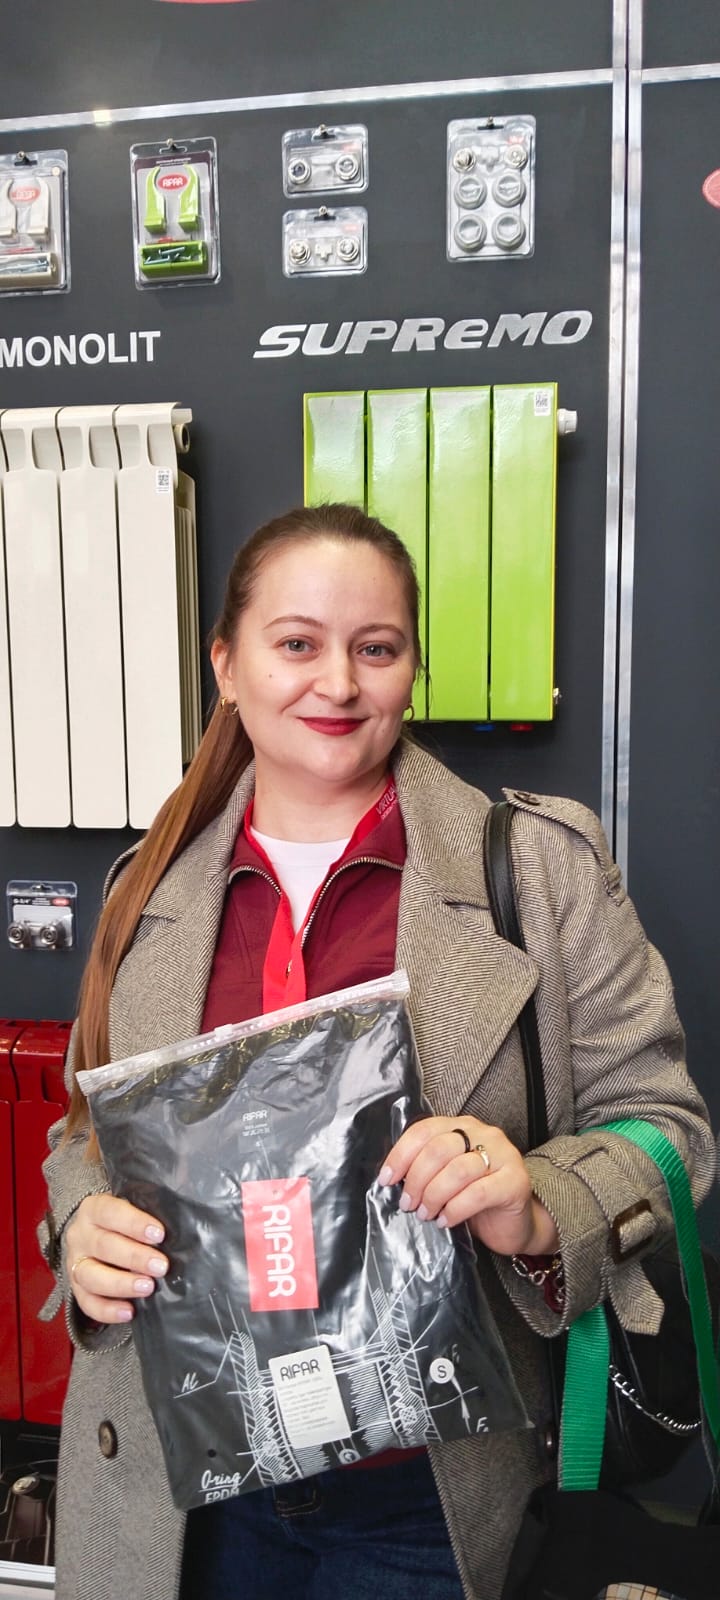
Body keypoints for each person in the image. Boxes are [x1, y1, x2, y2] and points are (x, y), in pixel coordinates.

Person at [42, 501, 715, 1600]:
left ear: (411, 669)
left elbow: (668, 1125)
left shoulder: (536, 870)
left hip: (430, 1493)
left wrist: (540, 1202)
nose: (338, 683)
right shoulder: (145, 886)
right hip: (185, 1493)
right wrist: (82, 1225)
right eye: (297, 643)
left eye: (376, 648)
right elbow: (83, 1132)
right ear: (227, 665)